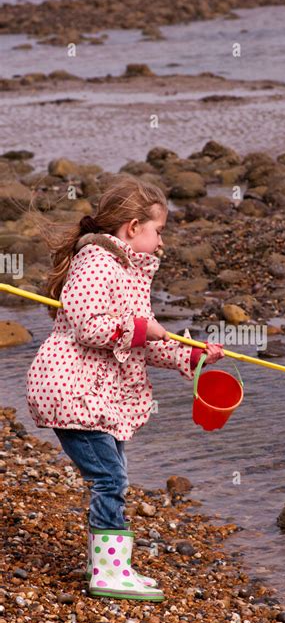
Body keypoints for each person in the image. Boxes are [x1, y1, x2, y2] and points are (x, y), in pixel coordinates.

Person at [25, 174, 225, 601]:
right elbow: (89, 326)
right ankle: (108, 573)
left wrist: (189, 355)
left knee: (113, 475)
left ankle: (113, 565)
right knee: (109, 478)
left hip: (94, 391)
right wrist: (138, 327)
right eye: (158, 231)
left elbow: (138, 344)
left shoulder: (128, 270)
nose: (162, 241)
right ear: (132, 227)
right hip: (72, 387)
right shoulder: (98, 262)